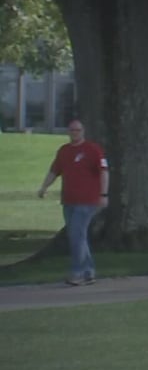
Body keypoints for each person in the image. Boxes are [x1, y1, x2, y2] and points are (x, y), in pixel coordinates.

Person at [37, 119, 109, 285]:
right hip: (68, 201)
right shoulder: (64, 151)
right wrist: (44, 187)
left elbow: (104, 172)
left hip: (87, 201)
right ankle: (88, 271)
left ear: (83, 131)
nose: (74, 133)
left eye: (77, 130)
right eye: (71, 130)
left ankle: (78, 273)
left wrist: (103, 194)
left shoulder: (92, 150)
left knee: (77, 235)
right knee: (79, 236)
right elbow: (54, 171)